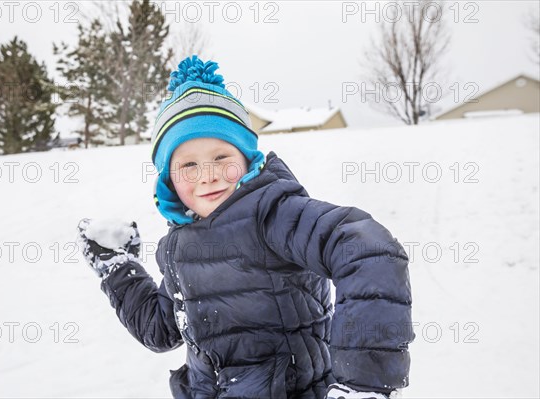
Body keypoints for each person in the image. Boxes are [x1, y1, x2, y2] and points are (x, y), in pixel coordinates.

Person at [77, 55, 415, 399]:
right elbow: (161, 330)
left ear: (246, 159)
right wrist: (117, 269)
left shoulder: (275, 213)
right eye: (189, 165)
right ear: (169, 182)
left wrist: (364, 383)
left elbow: (369, 251)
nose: (208, 174)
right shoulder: (178, 248)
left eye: (221, 157)